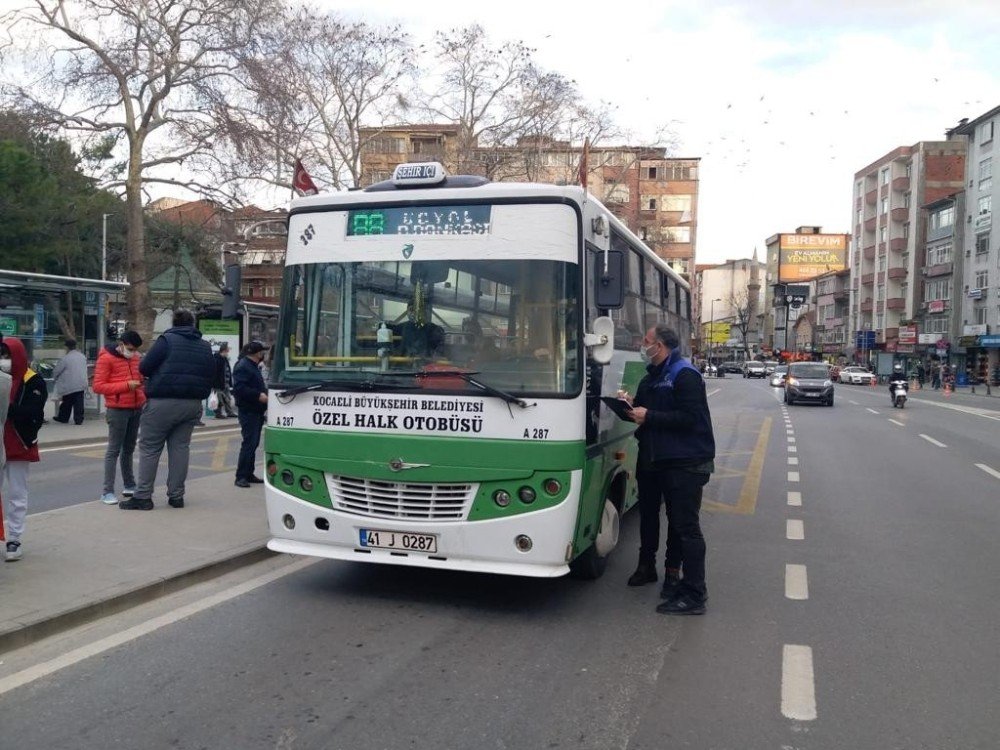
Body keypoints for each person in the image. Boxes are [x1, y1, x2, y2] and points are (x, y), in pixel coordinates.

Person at [622, 324, 716, 616]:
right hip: (655, 459)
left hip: (685, 462)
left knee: (684, 527)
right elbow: (645, 412)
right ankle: (647, 567)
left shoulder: (684, 375)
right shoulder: (652, 377)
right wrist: (630, 406)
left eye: (646, 341)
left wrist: (649, 415)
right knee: (649, 515)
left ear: (660, 346)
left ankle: (691, 591)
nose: (642, 344)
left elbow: (691, 419)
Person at [120, 309, 214, 511]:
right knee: (180, 449)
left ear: (174, 323)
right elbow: (211, 373)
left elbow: (145, 367)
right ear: (193, 324)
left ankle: (143, 496)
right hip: (192, 404)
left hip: (163, 401)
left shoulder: (166, 341)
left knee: (150, 448)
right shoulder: (205, 346)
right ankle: (176, 496)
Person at [1, 336, 47, 561]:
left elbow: (33, 413)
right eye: (2, 356)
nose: (4, 360)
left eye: (8, 355)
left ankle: (15, 538)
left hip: (19, 443)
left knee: (17, 494)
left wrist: (6, 408)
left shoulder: (33, 380)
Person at [92, 330, 145, 505]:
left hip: (136, 407)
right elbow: (98, 386)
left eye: (135, 349)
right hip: (117, 409)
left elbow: (140, 378)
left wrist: (141, 386)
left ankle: (129, 484)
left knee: (129, 449)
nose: (133, 352)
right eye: (130, 348)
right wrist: (125, 386)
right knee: (113, 450)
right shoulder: (106, 358)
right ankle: (107, 491)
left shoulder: (136, 357)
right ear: (121, 344)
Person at [232, 341, 268, 488]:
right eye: (261, 351)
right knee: (249, 443)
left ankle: (249, 473)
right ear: (256, 353)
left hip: (256, 410)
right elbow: (240, 389)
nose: (263, 354)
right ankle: (241, 476)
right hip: (249, 410)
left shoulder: (252, 366)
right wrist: (258, 395)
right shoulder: (243, 366)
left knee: (253, 443)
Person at [52, 338, 89, 425]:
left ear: (67, 347)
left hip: (69, 384)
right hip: (81, 383)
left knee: (67, 402)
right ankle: (79, 419)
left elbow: (57, 370)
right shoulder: (82, 356)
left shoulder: (66, 358)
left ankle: (63, 418)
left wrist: (55, 377)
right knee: (79, 402)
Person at [212, 342, 237, 419]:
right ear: (224, 350)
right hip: (218, 383)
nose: (228, 352)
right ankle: (218, 413)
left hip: (225, 382)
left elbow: (227, 371)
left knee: (227, 398)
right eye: (227, 350)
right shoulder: (217, 359)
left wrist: (229, 382)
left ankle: (229, 412)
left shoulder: (224, 359)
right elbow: (215, 372)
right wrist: (215, 383)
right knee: (218, 399)